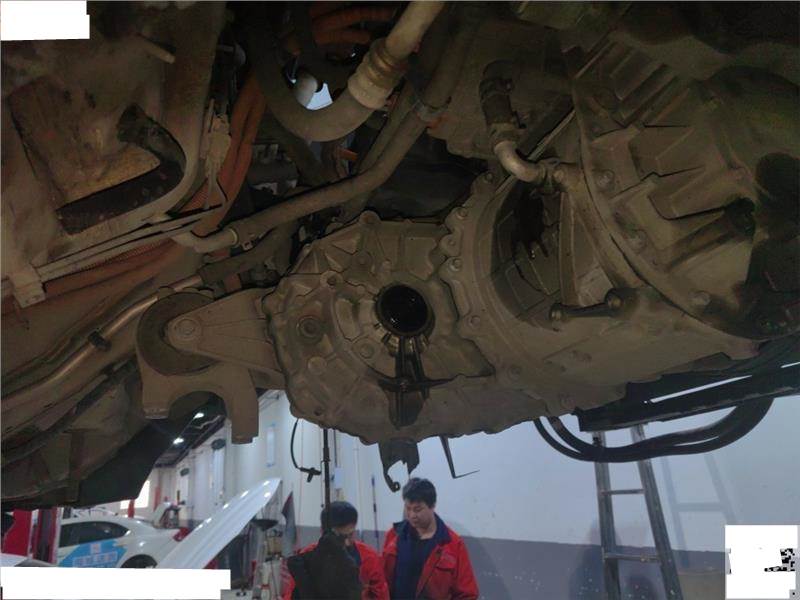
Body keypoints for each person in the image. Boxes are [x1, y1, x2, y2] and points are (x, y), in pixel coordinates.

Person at [382, 478, 478, 600]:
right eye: (408, 508)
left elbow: (467, 594)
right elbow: (381, 584)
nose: (411, 515)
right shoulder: (393, 537)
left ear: (432, 506)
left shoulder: (452, 544)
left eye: (417, 509)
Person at [282, 500, 389, 600]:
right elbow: (291, 595)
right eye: (340, 537)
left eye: (350, 534)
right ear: (322, 532)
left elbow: (381, 596)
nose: (347, 543)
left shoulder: (369, 558)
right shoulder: (305, 560)